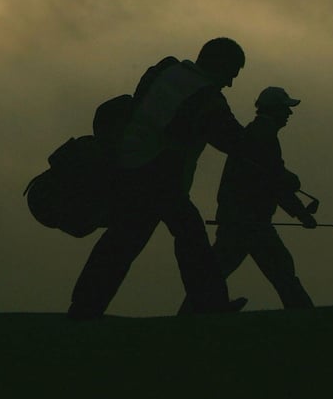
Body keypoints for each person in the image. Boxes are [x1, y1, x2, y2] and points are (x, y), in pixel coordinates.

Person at [67, 37, 250, 319]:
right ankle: (211, 306)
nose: (231, 82)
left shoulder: (166, 71)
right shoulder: (206, 97)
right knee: (189, 238)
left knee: (122, 242)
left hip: (130, 164)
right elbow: (234, 141)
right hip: (158, 175)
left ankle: (84, 309)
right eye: (232, 73)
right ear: (221, 65)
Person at [187, 86, 316, 311]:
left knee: (215, 275)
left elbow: (272, 179)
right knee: (282, 270)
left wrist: (297, 205)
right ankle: (306, 316)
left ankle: (189, 315)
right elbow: (275, 181)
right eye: (286, 109)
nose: (289, 114)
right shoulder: (263, 135)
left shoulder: (257, 133)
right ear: (275, 110)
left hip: (239, 219)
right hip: (249, 222)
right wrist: (301, 212)